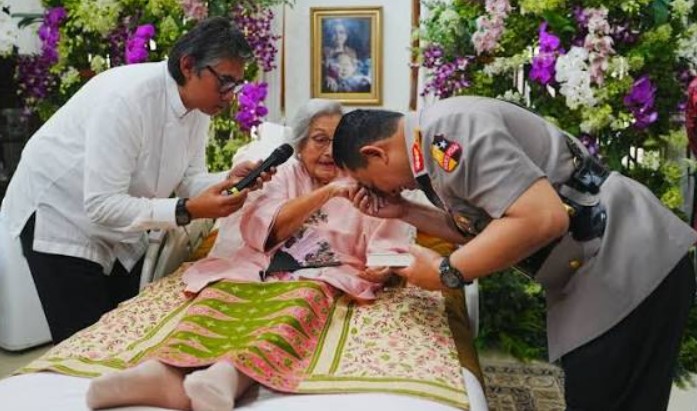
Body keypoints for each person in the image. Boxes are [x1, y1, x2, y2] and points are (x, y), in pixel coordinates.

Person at [331, 96, 697, 411]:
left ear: (375, 153)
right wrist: (404, 211)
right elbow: (488, 230)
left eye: (370, 183)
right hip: (607, 268)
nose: (383, 191)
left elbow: (542, 218)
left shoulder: (449, 130)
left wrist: (446, 271)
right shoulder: (432, 142)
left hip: (625, 263)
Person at [85, 99, 412, 411]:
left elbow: (387, 238)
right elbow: (267, 230)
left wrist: (384, 266)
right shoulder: (282, 174)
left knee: (290, 310)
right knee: (218, 300)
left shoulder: (362, 178)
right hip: (256, 266)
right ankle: (161, 371)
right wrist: (326, 193)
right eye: (319, 139)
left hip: (323, 273)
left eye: (336, 141)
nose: (329, 151)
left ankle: (228, 376)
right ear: (299, 145)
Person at [0, 17, 270, 344]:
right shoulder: (128, 99)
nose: (230, 96)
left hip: (119, 216)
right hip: (61, 213)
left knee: (123, 330)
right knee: (84, 345)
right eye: (225, 82)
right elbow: (101, 205)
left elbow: (189, 179)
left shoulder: (199, 107)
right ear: (188, 66)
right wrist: (187, 210)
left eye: (236, 84)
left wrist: (228, 181)